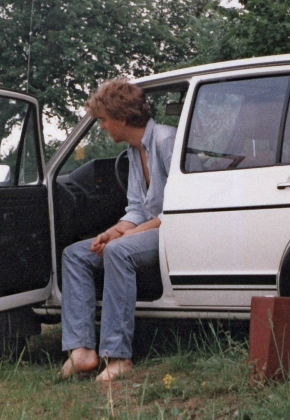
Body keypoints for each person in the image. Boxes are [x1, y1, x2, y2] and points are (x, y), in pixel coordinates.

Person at [60, 78, 176, 382]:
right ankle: (82, 350)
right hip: (150, 230)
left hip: (175, 234)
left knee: (118, 251)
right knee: (76, 255)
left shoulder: (165, 141)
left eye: (103, 120)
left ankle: (118, 356)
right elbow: (138, 207)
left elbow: (178, 210)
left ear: (122, 118)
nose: (101, 127)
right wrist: (112, 231)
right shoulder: (133, 152)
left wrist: (125, 237)